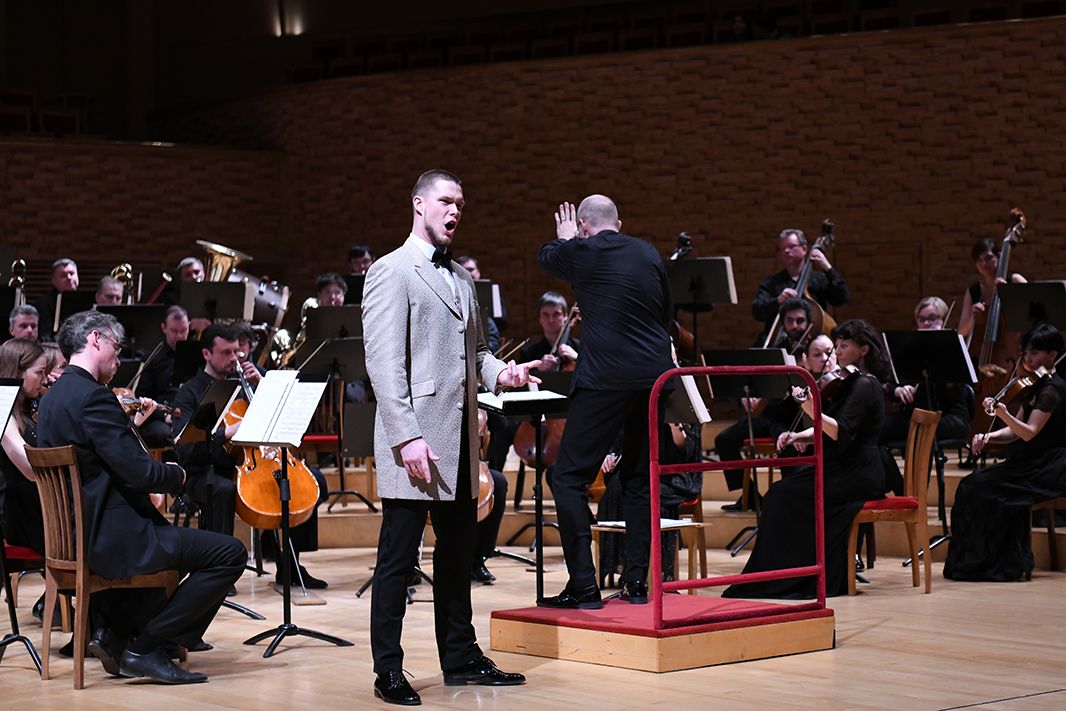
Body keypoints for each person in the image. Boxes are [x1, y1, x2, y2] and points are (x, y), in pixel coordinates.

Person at [361, 169, 535, 706]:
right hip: (414, 442)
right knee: (398, 559)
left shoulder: (461, 278)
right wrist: (407, 437)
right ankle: (388, 670)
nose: (455, 211)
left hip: (458, 441)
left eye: (460, 203)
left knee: (457, 557)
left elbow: (477, 353)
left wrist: (502, 375)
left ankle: (460, 657)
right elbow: (383, 366)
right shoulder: (391, 270)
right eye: (445, 201)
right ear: (419, 204)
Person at [36, 310, 246, 684]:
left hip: (76, 536)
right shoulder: (94, 397)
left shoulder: (53, 398)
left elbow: (111, 463)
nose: (119, 360)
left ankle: (117, 634)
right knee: (229, 553)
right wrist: (179, 475)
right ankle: (148, 647)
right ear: (95, 339)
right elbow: (142, 473)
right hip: (113, 538)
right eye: (116, 349)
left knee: (179, 545)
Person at [536, 195, 674, 609]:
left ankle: (584, 586)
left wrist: (566, 238)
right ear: (619, 224)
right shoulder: (648, 252)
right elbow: (666, 313)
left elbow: (547, 258)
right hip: (654, 378)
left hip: (606, 379)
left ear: (583, 226)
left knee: (566, 477)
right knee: (638, 478)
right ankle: (636, 584)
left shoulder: (581, 248)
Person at [723, 319, 889, 599]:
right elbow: (831, 427)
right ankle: (789, 573)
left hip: (857, 473)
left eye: (844, 345)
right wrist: (798, 436)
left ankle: (795, 577)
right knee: (781, 493)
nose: (838, 351)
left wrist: (809, 407)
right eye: (838, 345)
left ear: (864, 350)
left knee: (781, 495)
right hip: (844, 466)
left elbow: (840, 431)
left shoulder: (865, 385)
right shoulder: (851, 382)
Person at [944, 324, 1066, 582]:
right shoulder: (1036, 386)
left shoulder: (1052, 390)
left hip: (1047, 467)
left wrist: (1004, 413)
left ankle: (995, 563)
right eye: (1026, 353)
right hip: (1028, 462)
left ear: (1053, 355)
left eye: (1034, 353)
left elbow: (1028, 432)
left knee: (981, 488)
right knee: (970, 485)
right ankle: (972, 562)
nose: (1028, 359)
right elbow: (1013, 432)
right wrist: (988, 436)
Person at [715, 331, 835, 511]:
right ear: (806, 359)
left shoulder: (834, 382)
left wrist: (798, 435)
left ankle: (790, 499)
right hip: (771, 417)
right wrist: (751, 395)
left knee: (786, 443)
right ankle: (751, 496)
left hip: (791, 425)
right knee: (724, 439)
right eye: (817, 355)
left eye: (829, 352)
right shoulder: (780, 352)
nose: (824, 359)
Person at [880, 297, 974, 447]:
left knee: (920, 427)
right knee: (877, 427)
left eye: (933, 318)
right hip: (914, 417)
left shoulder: (952, 348)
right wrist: (898, 390)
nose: (926, 323)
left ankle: (919, 463)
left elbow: (955, 392)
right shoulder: (908, 350)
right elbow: (889, 385)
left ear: (943, 320)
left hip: (950, 417)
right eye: (922, 319)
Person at [751, 229, 850, 345]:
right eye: (783, 248)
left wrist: (827, 267)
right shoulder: (771, 283)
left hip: (813, 345)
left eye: (791, 246)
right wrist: (777, 300)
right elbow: (757, 311)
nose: (787, 251)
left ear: (804, 249)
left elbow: (842, 298)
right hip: (778, 343)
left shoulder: (819, 279)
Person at [136, 305, 191, 448]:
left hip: (187, 413)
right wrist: (165, 416)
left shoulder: (197, 355)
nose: (180, 336)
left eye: (184, 330)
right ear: (164, 328)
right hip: (160, 416)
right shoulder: (154, 358)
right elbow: (142, 396)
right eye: (174, 331)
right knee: (166, 434)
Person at [958, 237, 1027, 343]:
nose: (984, 264)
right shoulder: (973, 291)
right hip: (983, 348)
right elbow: (961, 332)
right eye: (979, 260)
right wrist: (973, 317)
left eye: (988, 258)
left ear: (998, 256)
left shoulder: (1015, 280)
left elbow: (1034, 314)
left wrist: (1009, 295)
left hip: (1015, 345)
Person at [518, 291, 580, 371]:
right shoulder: (528, 353)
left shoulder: (580, 347)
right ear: (540, 318)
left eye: (556, 314)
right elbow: (520, 378)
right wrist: (539, 369)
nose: (551, 320)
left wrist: (577, 358)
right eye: (545, 314)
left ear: (565, 316)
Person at [32, 258, 79, 341]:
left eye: (72, 273)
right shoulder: (44, 303)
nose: (69, 278)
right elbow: (45, 336)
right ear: (53, 280)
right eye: (63, 275)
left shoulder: (87, 301)